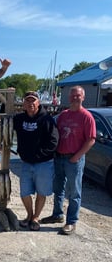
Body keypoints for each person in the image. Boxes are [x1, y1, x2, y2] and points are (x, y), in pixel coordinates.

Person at [41, 85, 96, 235]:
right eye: (72, 95)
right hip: (59, 157)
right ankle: (57, 214)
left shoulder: (86, 116)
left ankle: (71, 222)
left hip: (74, 160)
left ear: (83, 97)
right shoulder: (63, 115)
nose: (75, 98)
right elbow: (51, 130)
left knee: (74, 192)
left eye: (78, 95)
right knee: (58, 188)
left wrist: (76, 157)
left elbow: (91, 139)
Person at [13, 91, 59, 231]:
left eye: (33, 101)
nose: (31, 103)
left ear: (38, 103)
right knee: (24, 192)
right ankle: (29, 214)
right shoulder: (19, 119)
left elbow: (54, 141)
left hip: (44, 163)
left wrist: (39, 155)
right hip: (26, 162)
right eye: (27, 101)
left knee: (41, 192)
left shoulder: (47, 119)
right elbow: (4, 119)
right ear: (23, 104)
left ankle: (35, 218)